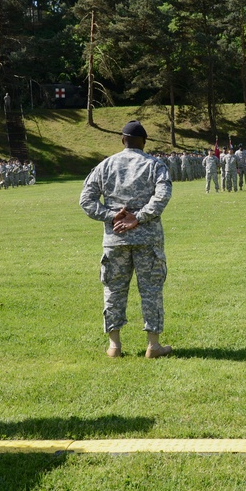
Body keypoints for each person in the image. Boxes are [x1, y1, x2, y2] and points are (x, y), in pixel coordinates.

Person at [79, 120, 173, 359]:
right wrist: (139, 218)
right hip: (147, 239)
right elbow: (162, 197)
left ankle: (114, 345)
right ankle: (153, 345)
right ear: (144, 142)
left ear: (123, 140)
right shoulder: (155, 165)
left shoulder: (105, 165)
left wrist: (111, 216)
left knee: (113, 290)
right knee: (151, 290)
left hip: (116, 239)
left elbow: (86, 201)